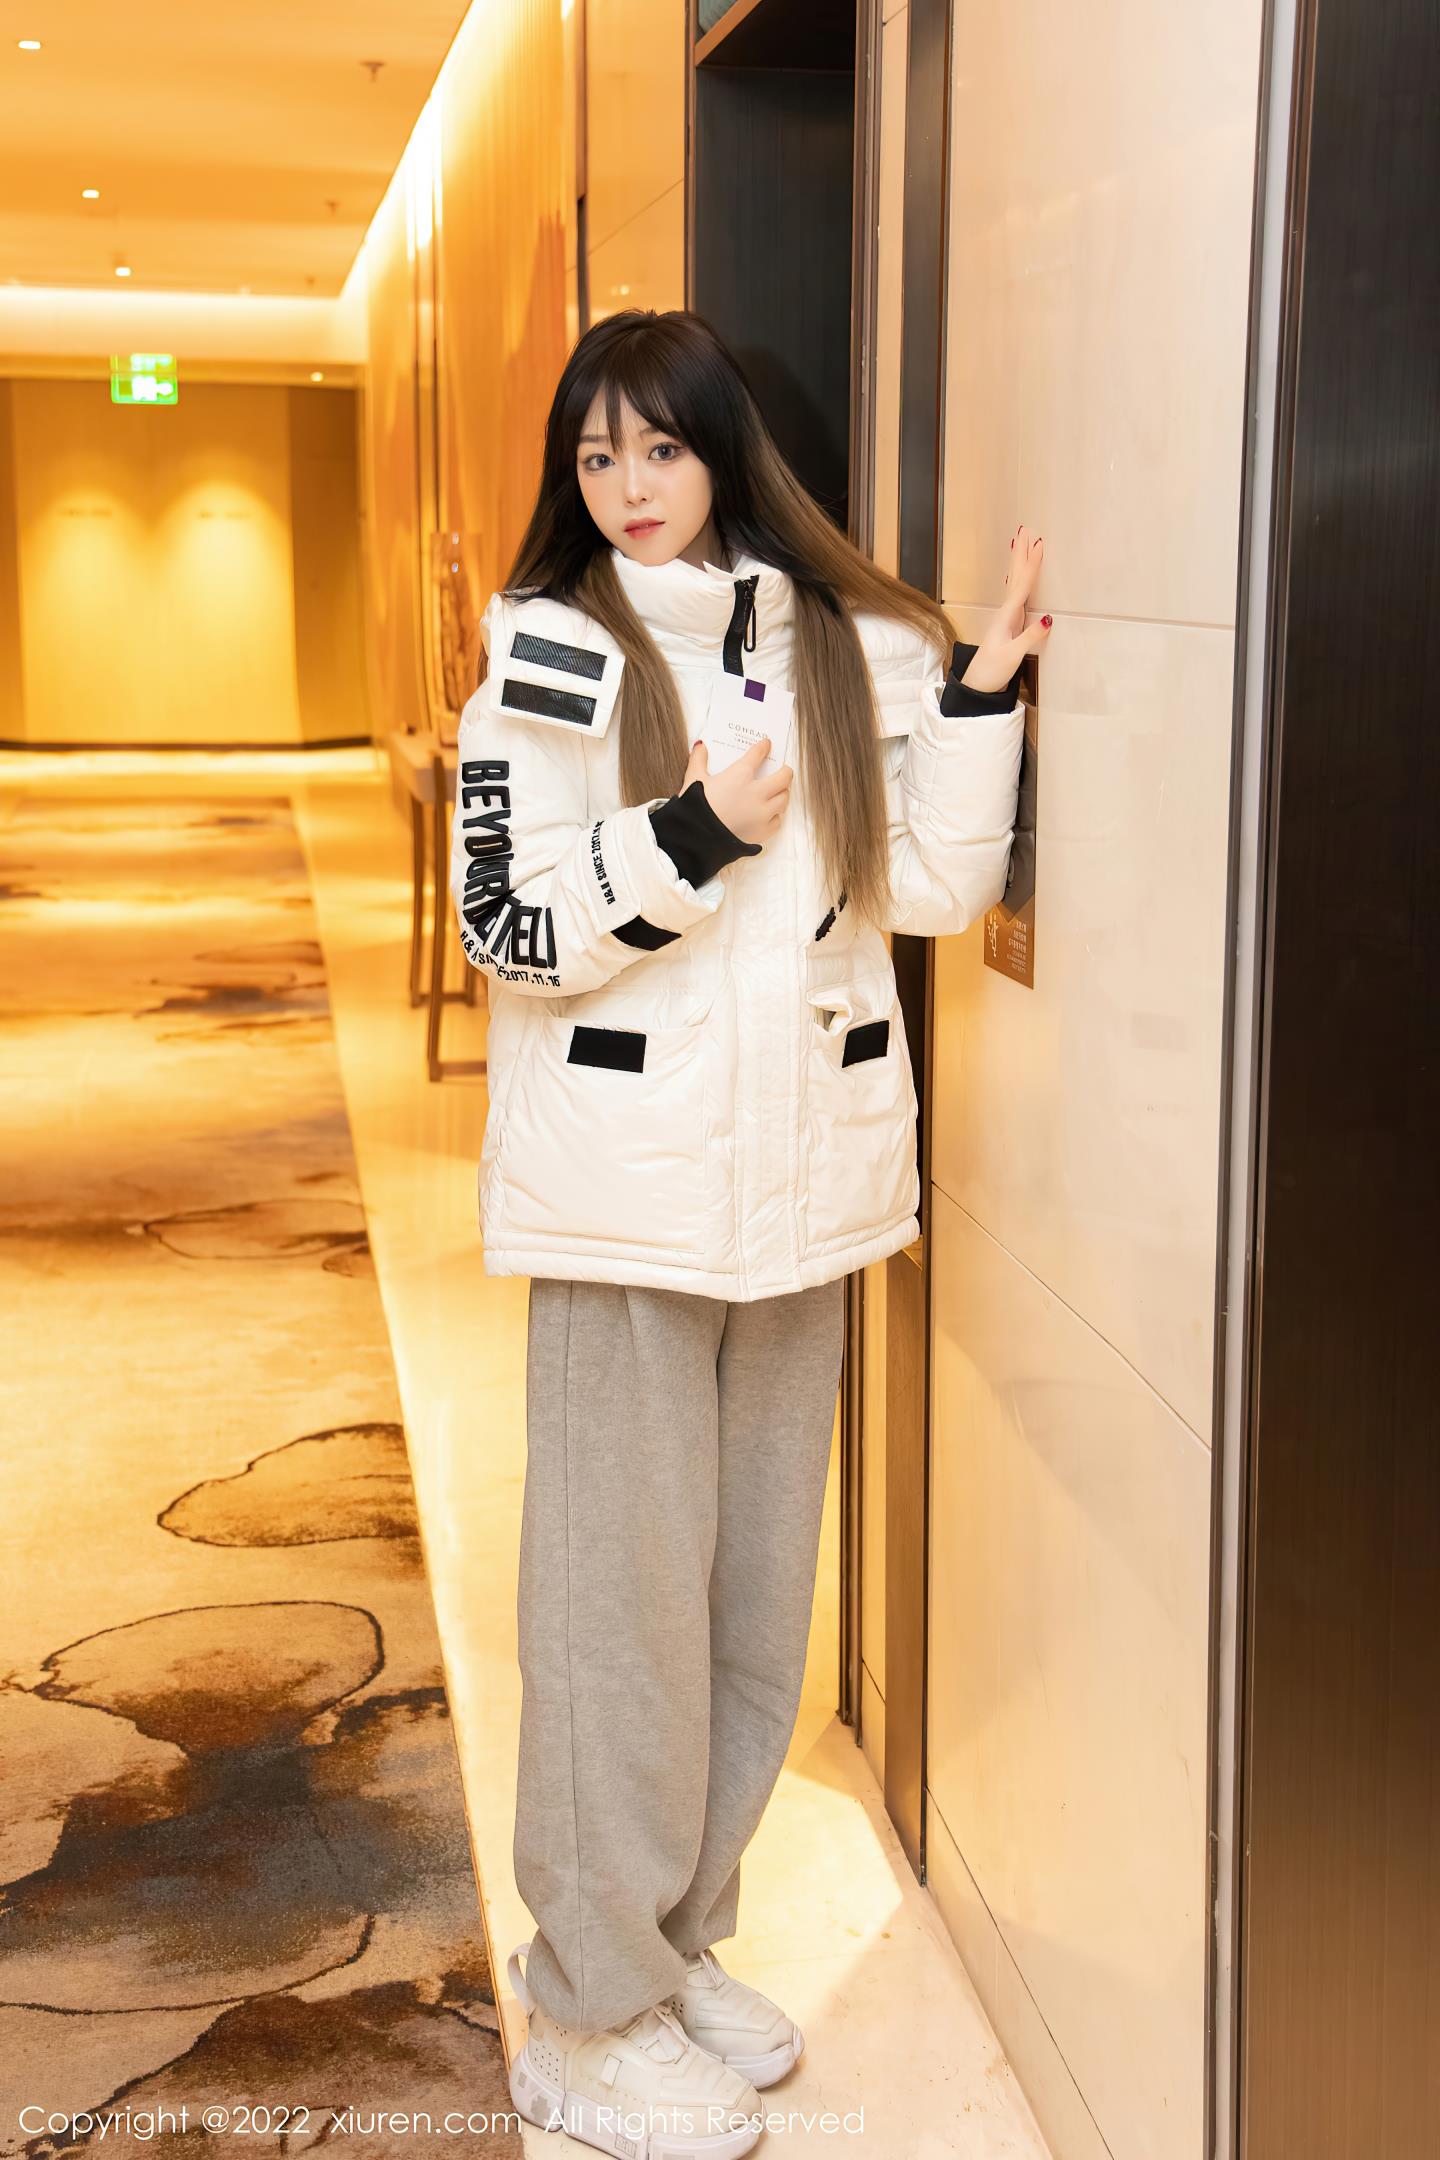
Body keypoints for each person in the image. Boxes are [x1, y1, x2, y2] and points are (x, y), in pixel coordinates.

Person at [448, 308, 1050, 2159]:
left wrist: (978, 701)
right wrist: (692, 835)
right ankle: (586, 2007)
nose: (627, 489)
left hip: (806, 1208)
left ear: (729, 452)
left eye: (660, 449)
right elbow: (506, 929)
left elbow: (928, 891)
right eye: (595, 457)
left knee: (747, 1618)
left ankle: (676, 1939)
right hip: (627, 1214)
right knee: (613, 1623)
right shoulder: (549, 653)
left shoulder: (847, 646)